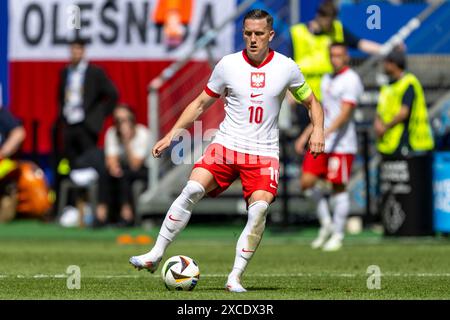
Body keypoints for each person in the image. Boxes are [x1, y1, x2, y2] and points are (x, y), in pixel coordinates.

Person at [129, 9, 325, 292]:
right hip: (227, 145)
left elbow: (312, 103)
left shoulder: (287, 67)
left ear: (271, 35)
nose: (253, 39)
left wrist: (318, 129)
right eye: (248, 33)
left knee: (258, 212)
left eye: (259, 34)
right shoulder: (228, 65)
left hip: (263, 153)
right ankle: (156, 254)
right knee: (192, 190)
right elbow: (199, 104)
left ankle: (234, 277)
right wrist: (172, 133)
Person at [295, 43, 363, 251]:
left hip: (342, 144)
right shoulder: (327, 79)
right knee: (306, 183)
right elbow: (321, 109)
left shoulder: (351, 79)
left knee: (337, 187)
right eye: (332, 55)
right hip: (322, 141)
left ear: (346, 57)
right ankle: (326, 224)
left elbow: (345, 113)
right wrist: (307, 133)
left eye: (339, 55)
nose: (335, 59)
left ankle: (338, 234)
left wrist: (324, 132)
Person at [290, 0, 380, 101]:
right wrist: (289, 91)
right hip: (303, 94)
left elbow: (360, 44)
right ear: (319, 16)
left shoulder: (337, 29)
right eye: (327, 21)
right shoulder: (297, 33)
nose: (330, 25)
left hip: (328, 94)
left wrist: (384, 49)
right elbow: (287, 65)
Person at [57, 38, 118, 166]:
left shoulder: (95, 72)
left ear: (83, 51)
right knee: (70, 160)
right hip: (69, 122)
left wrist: (99, 114)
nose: (75, 52)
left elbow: (113, 94)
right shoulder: (65, 72)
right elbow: (60, 96)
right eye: (73, 49)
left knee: (89, 158)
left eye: (78, 49)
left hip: (86, 124)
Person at [96, 104, 150, 227]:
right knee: (105, 172)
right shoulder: (111, 133)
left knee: (125, 174)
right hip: (122, 169)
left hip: (142, 170)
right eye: (118, 120)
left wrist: (126, 142)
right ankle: (101, 213)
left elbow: (135, 165)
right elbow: (110, 158)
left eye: (125, 120)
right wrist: (114, 167)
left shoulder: (143, 133)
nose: (121, 124)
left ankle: (127, 213)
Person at [374, 49, 434, 157]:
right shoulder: (387, 86)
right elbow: (380, 110)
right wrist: (377, 123)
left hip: (409, 143)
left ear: (393, 64)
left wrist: (385, 127)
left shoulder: (409, 82)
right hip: (388, 144)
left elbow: (403, 112)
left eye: (386, 63)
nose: (384, 66)